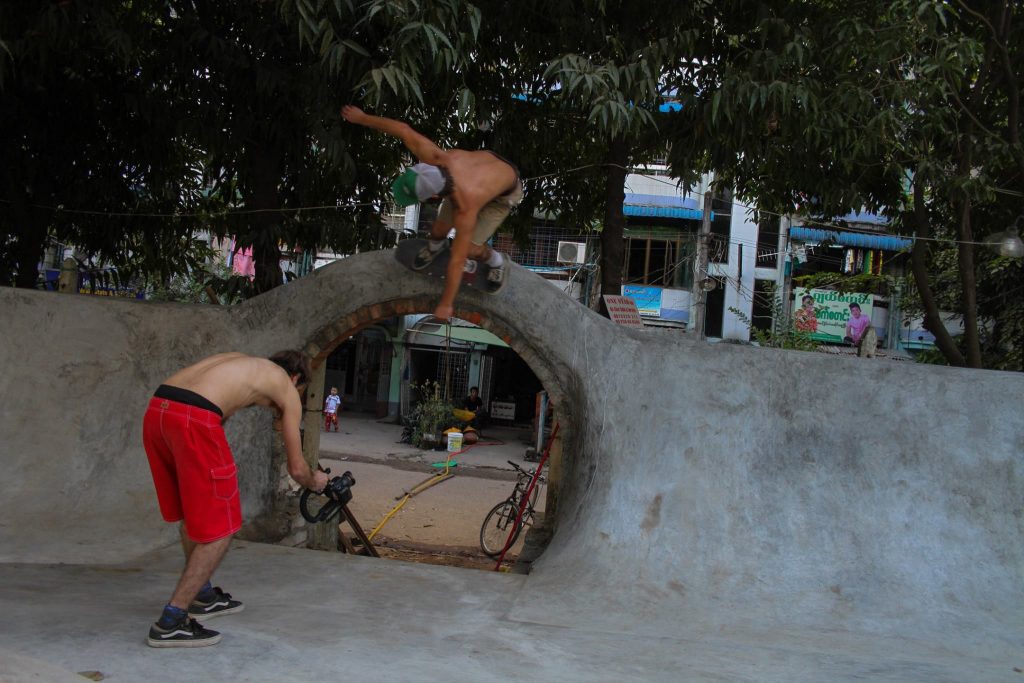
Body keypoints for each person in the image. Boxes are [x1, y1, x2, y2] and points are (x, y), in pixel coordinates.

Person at [142, 351, 329, 648]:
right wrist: (316, 481)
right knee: (222, 528)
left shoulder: (242, 365)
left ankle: (202, 594)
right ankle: (172, 621)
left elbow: (218, 412)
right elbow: (297, 468)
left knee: (194, 514)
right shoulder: (286, 387)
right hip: (194, 418)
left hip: (158, 411)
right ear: (296, 379)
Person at [341, 105, 523, 321]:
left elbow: (456, 261)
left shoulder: (466, 207)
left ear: (435, 197)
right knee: (438, 230)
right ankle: (435, 247)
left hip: (503, 194)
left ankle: (496, 262)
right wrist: (362, 118)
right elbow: (403, 129)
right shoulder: (435, 157)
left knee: (470, 250)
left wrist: (446, 304)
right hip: (476, 171)